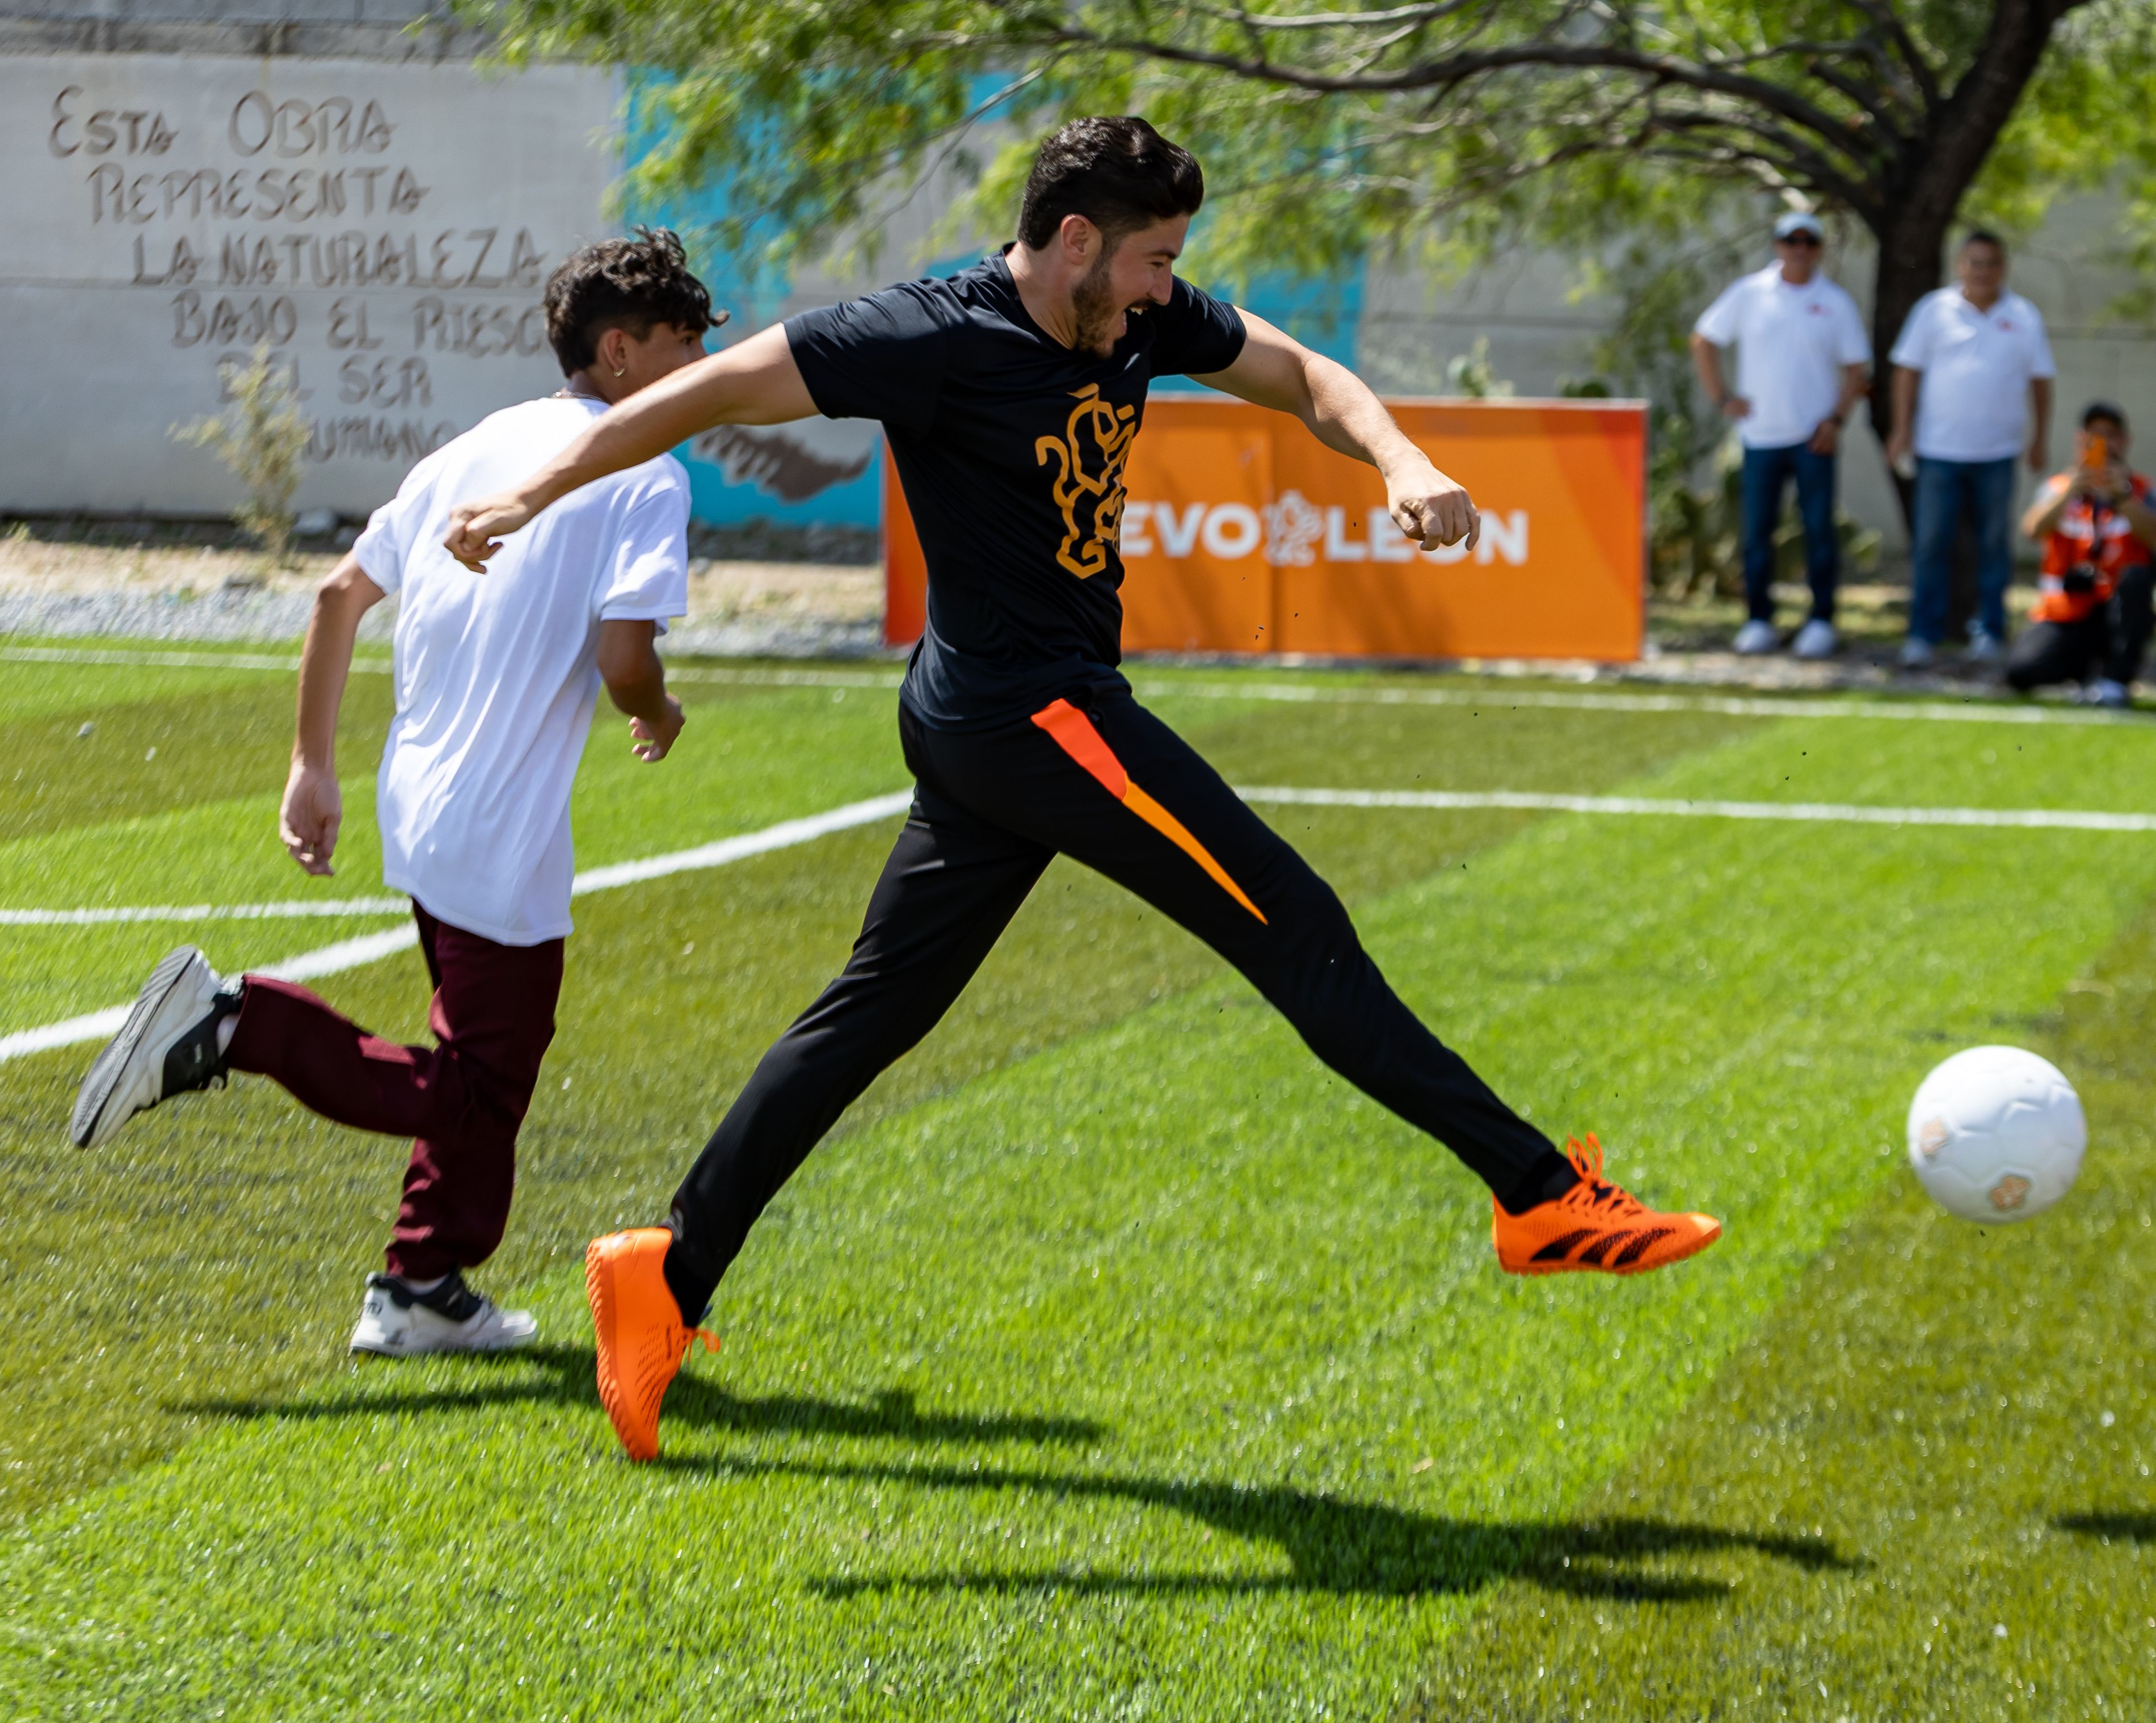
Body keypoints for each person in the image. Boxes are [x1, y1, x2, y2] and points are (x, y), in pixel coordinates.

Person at [439, 117, 1721, 1463]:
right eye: (1157, 259)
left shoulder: (1137, 319)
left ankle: (665, 1272)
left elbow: (1300, 373)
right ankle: (1537, 1194)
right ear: (1072, 244)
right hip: (1033, 714)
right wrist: (533, 492)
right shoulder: (925, 334)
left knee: (873, 1013)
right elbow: (702, 395)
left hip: (982, 718)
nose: (1171, 287)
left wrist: (1401, 458)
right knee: (1291, 919)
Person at [66, 236, 713, 1358]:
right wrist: (655, 711)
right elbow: (623, 657)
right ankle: (235, 1022)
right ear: (619, 353)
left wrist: (311, 765)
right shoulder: (646, 472)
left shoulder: (470, 448)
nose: (703, 365)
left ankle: (420, 1282)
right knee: (478, 1090)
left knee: (481, 1060)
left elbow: (336, 592)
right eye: (685, 345)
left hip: (420, 801)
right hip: (498, 829)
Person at [1690, 210, 1872, 659]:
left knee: (1818, 532)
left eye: (1809, 242)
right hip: (1761, 436)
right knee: (1757, 534)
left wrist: (1836, 419)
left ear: (1819, 249)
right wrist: (1722, 398)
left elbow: (1856, 369)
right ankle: (1758, 620)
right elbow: (1704, 340)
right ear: (1777, 245)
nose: (1800, 249)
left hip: (1815, 438)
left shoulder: (1835, 302)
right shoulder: (1750, 294)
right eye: (1792, 240)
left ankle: (1822, 621)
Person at [1886, 229, 2056, 667]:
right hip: (1939, 450)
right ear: (1961, 265)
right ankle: (1924, 634)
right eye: (1975, 263)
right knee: (1931, 545)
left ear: (2004, 267)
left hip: (1997, 453)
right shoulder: (1933, 310)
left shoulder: (2023, 315)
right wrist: (1901, 430)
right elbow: (1907, 372)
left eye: (1991, 263)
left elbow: (2041, 381)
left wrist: (2039, 438)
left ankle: (1990, 631)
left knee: (1994, 547)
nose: (1983, 272)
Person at [2004, 402, 2156, 707]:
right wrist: (2071, 490)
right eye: (2095, 436)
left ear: (2125, 441)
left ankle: (2115, 681)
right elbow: (2032, 530)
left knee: (2138, 579)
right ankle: (2084, 672)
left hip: (2117, 610)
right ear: (2080, 440)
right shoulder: (2058, 487)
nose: (2104, 444)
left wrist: (2122, 496)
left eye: (2112, 436)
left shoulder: (2143, 489)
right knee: (2022, 672)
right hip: (2067, 611)